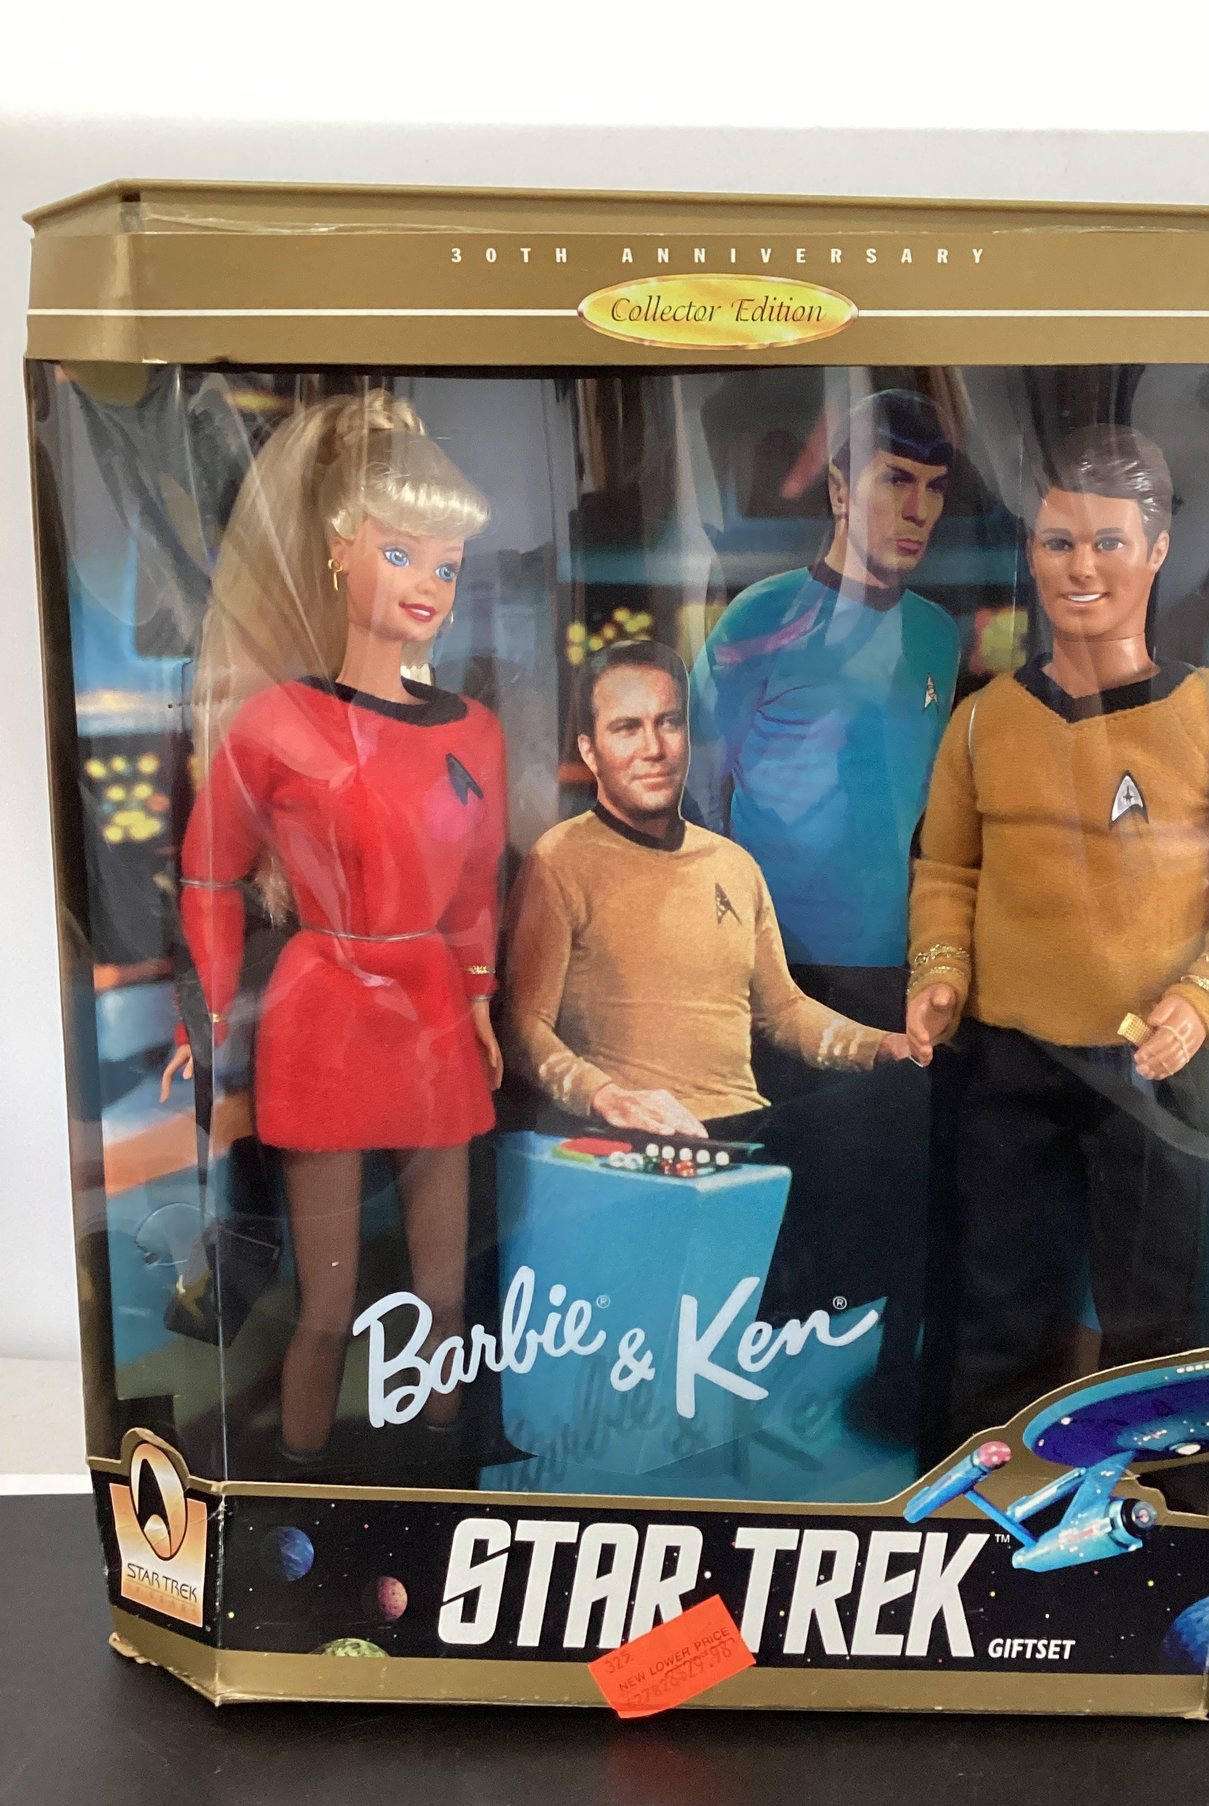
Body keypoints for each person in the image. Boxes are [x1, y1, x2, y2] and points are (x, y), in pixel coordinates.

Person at [906, 423, 1209, 1452]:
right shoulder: (986, 720)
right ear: (1032, 551)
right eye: (1058, 542)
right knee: (999, 1300)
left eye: (1107, 542)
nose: (1081, 567)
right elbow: (946, 868)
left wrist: (1206, 998)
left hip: (1149, 1070)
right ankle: (990, 1482)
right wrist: (942, 970)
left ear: (1157, 549)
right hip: (1009, 1059)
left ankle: (1155, 1492)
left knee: (1155, 1310)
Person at [173, 390, 505, 1464]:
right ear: (337, 552)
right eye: (400, 553)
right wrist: (210, 1011)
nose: (426, 583)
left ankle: (441, 1466)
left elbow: (475, 891)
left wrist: (481, 998)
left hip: (435, 1013)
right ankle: (300, 1484)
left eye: (446, 564)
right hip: (320, 1010)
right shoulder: (276, 721)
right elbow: (209, 872)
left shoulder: (477, 732)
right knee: (327, 1307)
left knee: (444, 1294)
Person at [503, 640, 928, 1420]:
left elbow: (785, 1011)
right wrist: (608, 1096)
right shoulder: (559, 863)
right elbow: (524, 1030)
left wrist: (884, 1046)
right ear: (590, 751)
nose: (654, 746)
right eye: (627, 728)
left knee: (915, 1099)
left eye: (668, 722)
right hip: (638, 1147)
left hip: (744, 1138)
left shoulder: (733, 865)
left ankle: (884, 1391)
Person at [686, 389, 960, 1048]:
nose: (918, 510)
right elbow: (692, 788)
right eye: (895, 480)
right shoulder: (761, 615)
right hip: (769, 962)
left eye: (934, 487)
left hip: (891, 961)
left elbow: (923, 807)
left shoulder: (937, 635)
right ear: (839, 490)